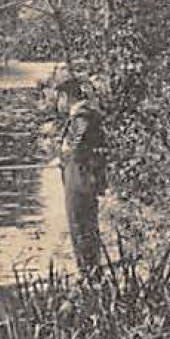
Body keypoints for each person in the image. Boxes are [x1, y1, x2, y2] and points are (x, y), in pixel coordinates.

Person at [54, 76, 107, 273]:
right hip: (79, 180)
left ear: (66, 97)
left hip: (80, 182)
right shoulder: (82, 116)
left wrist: (66, 155)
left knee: (81, 227)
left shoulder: (82, 116)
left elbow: (79, 146)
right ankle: (89, 272)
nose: (58, 104)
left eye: (59, 98)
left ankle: (89, 274)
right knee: (84, 228)